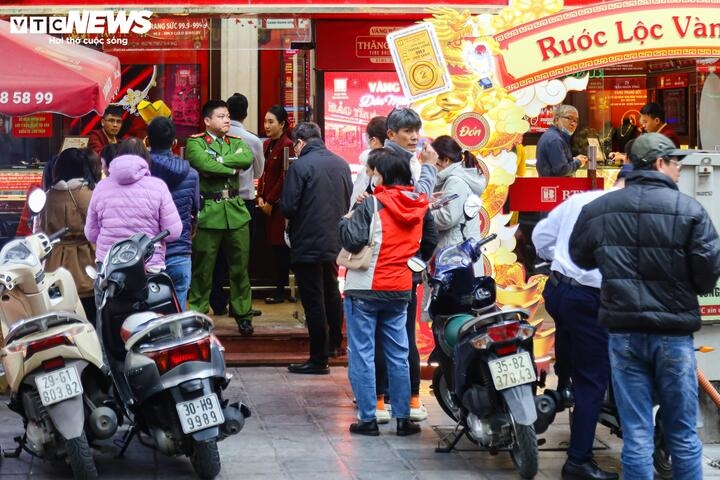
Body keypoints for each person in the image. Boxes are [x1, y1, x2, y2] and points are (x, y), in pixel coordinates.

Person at [569, 133, 720, 480]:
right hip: (673, 335)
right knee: (682, 433)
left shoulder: (600, 209)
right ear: (657, 164)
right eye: (673, 161)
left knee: (637, 433)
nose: (679, 168)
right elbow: (708, 273)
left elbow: (580, 257)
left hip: (623, 333)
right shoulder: (689, 210)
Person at [532, 167, 633, 480]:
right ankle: (578, 459)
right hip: (591, 298)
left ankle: (560, 393)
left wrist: (559, 257)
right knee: (592, 380)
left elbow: (540, 237)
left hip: (559, 289)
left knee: (569, 356)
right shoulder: (626, 211)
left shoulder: (581, 200)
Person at [339, 148, 432, 437]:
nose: (373, 177)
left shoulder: (372, 204)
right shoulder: (420, 204)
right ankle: (404, 418)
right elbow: (430, 239)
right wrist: (414, 263)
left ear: (385, 174)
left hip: (366, 288)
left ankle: (368, 417)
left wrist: (347, 218)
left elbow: (352, 241)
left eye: (375, 172)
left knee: (364, 353)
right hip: (401, 287)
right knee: (398, 353)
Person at [280, 122, 352, 374]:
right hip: (335, 239)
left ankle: (318, 358)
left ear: (300, 142)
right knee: (331, 291)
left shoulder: (300, 166)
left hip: (307, 241)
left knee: (313, 299)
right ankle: (335, 345)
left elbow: (288, 206)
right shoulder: (341, 164)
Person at [185, 100, 254, 334]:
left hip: (236, 212)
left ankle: (243, 314)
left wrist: (219, 163)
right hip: (209, 212)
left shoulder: (236, 142)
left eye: (227, 116)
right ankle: (197, 315)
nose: (226, 120)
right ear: (207, 121)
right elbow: (200, 163)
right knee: (203, 268)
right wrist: (231, 167)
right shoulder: (195, 143)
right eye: (221, 116)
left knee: (240, 268)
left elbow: (246, 159)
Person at [85, 140, 182, 272]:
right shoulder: (158, 186)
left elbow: (91, 234)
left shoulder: (101, 187)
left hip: (109, 267)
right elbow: (173, 232)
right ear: (146, 159)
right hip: (148, 264)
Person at [209, 93, 265, 317]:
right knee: (240, 257)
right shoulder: (252, 140)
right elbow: (259, 171)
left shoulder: (211, 138)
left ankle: (217, 301)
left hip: (215, 202)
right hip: (243, 203)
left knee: (216, 256)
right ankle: (239, 305)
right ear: (246, 113)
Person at [37, 147, 101, 323]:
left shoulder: (47, 197)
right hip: (87, 263)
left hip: (53, 266)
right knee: (90, 318)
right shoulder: (92, 195)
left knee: (59, 320)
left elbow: (39, 233)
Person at [146, 116, 200, 311]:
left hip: (148, 255)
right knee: (177, 317)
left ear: (147, 140)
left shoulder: (142, 175)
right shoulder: (192, 174)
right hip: (180, 251)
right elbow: (195, 212)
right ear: (175, 142)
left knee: (150, 318)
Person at [258, 105, 295, 305]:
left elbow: (284, 177)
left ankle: (281, 289)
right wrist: (260, 197)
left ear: (282, 124)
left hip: (280, 206)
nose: (267, 125)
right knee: (273, 248)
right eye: (265, 121)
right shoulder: (267, 145)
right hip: (267, 203)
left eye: (271, 122)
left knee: (282, 248)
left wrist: (270, 200)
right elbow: (264, 175)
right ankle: (279, 287)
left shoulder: (287, 144)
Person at [430, 135, 487, 254]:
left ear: (445, 160)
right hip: (459, 250)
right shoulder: (457, 178)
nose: (432, 166)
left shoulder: (455, 181)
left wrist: (423, 214)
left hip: (455, 252)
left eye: (434, 161)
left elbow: (447, 218)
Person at [535, 104, 588, 177]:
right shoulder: (555, 139)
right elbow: (562, 170)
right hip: (555, 186)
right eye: (569, 118)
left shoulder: (556, 136)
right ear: (556, 120)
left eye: (576, 121)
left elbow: (558, 164)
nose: (573, 124)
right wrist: (578, 162)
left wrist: (574, 160)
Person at [350, 116, 387, 206]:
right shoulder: (398, 162)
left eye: (367, 137)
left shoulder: (373, 164)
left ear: (373, 140)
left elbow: (356, 197)